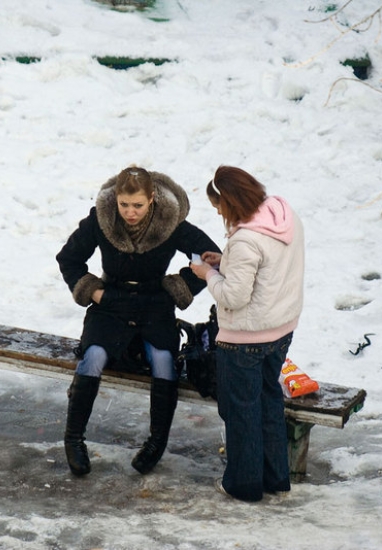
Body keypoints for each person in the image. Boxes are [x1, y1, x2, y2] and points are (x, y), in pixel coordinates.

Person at [56, 166, 221, 476]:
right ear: (116, 200)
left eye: (138, 205)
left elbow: (213, 257)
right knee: (94, 356)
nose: (130, 212)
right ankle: (73, 439)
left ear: (152, 199)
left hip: (153, 305)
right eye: (124, 204)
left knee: (163, 360)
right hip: (111, 304)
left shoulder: (170, 220)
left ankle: (156, 443)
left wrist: (175, 289)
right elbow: (69, 258)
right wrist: (95, 293)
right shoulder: (102, 218)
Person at [190, 165, 305, 502]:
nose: (219, 214)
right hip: (281, 331)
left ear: (230, 202)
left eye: (219, 207)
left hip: (246, 340)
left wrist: (207, 274)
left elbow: (233, 297)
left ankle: (244, 485)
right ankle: (275, 478)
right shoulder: (283, 215)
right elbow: (267, 267)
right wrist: (224, 261)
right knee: (269, 403)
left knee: (241, 412)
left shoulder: (245, 240)